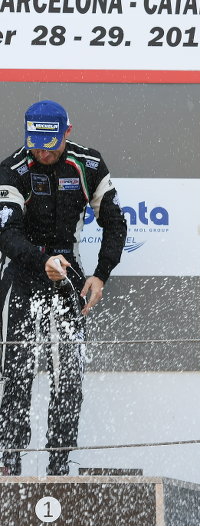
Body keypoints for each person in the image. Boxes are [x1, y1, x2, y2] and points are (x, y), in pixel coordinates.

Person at [0, 100, 127, 476]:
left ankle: (59, 466)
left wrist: (101, 275)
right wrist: (41, 262)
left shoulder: (88, 164)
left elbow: (115, 224)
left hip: (68, 277)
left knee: (68, 376)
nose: (43, 150)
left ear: (66, 133)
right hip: (21, 277)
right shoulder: (13, 168)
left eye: (50, 143)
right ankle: (9, 464)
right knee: (16, 372)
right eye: (36, 143)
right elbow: (5, 233)